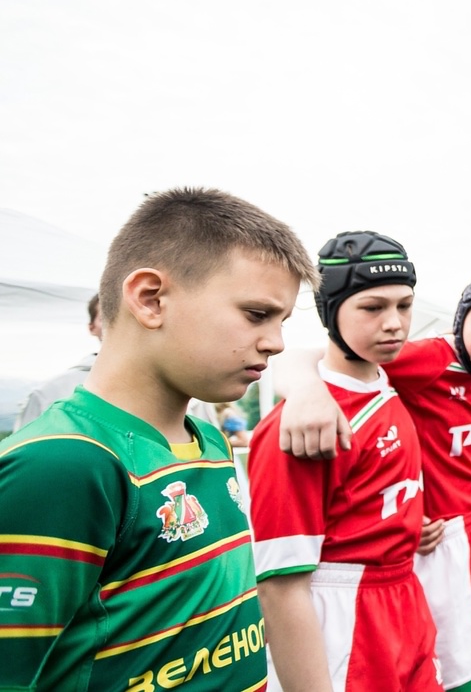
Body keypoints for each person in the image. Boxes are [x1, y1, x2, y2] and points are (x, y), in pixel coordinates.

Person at [0, 187, 315, 690]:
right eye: (257, 314)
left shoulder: (210, 442)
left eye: (282, 321)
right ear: (150, 299)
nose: (276, 342)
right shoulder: (64, 462)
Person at [279, 269, 471, 692]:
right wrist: (306, 389)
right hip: (440, 547)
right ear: (462, 320)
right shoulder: (432, 358)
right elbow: (313, 356)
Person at [248, 231, 443, 691]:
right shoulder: (300, 424)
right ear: (330, 313)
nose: (395, 323)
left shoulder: (388, 381)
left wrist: (404, 521)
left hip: (405, 600)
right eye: (372, 308)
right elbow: (278, 587)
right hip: (344, 620)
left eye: (404, 304)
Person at [13, 293, 102, 431]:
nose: (118, 324)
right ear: (92, 328)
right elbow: (22, 449)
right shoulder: (50, 393)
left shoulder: (146, 384)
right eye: (106, 317)